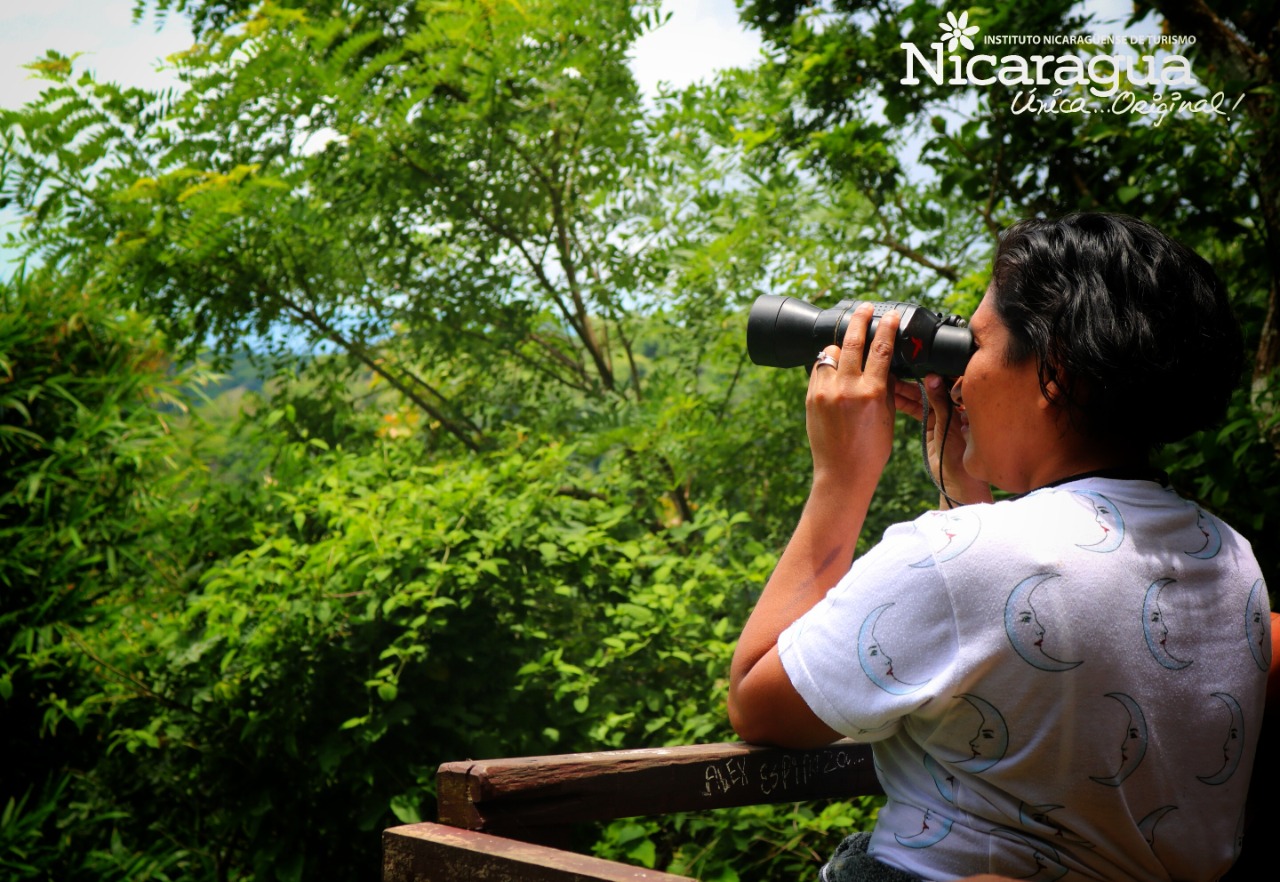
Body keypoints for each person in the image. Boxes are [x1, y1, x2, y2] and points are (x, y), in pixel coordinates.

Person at [728, 213, 1270, 881]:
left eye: (975, 347)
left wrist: (841, 480)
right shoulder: (1232, 555)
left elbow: (759, 701)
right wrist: (965, 494)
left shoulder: (963, 555)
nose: (957, 381)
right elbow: (1022, 643)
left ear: (1053, 372)